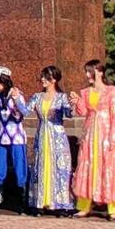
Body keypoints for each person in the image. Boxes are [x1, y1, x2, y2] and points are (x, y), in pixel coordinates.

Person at [73, 60, 115, 219]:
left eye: (90, 71)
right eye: (86, 72)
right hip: (89, 135)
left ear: (100, 72)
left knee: (108, 167)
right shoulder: (86, 92)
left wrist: (112, 137)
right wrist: (78, 102)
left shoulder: (111, 91)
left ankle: (113, 208)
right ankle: (84, 205)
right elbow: (83, 112)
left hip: (105, 133)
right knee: (86, 167)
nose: (88, 75)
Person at [26, 65, 74, 216]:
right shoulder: (37, 96)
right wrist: (15, 99)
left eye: (46, 77)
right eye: (42, 76)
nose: (42, 79)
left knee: (58, 168)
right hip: (42, 135)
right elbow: (25, 111)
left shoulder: (61, 97)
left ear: (54, 79)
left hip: (57, 137)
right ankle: (40, 202)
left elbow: (69, 114)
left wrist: (73, 104)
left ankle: (59, 204)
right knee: (41, 167)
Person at [0, 67, 27, 213]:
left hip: (16, 138)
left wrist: (16, 100)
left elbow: (23, 113)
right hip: (2, 137)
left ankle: (23, 199)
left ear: (2, 81)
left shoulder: (16, 94)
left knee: (19, 167)